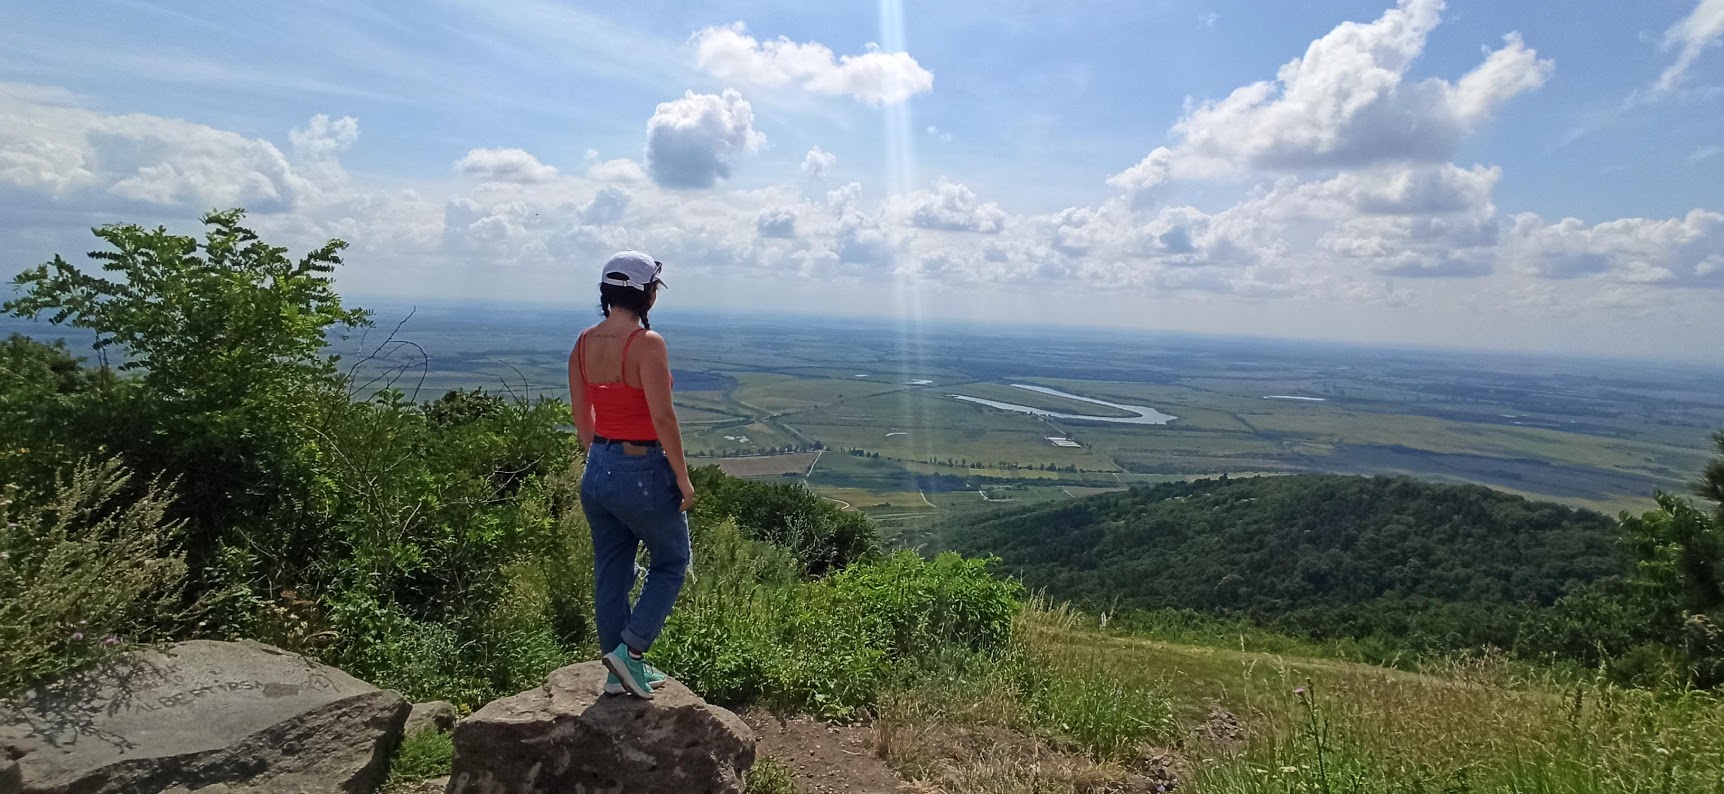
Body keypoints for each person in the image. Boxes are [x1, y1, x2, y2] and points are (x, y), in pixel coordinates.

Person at [569, 251, 695, 699]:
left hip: (598, 469)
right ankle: (631, 652)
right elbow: (664, 417)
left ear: (606, 293)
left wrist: (601, 459)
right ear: (645, 294)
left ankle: (615, 674)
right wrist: (682, 479)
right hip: (641, 468)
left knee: (611, 570)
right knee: (672, 562)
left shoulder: (583, 342)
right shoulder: (647, 344)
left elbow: (582, 418)